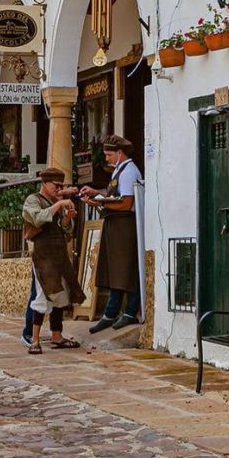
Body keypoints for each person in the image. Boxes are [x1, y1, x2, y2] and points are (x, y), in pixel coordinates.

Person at [80, 135, 143, 333]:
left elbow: (126, 203)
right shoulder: (119, 170)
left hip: (125, 225)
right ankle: (111, 313)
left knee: (126, 269)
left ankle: (130, 312)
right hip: (115, 224)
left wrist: (100, 202)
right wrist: (96, 193)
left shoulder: (128, 172)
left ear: (119, 153)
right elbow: (115, 196)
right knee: (116, 269)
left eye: (109, 155)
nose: (106, 159)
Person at [22, 166, 83, 353]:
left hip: (59, 255)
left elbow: (65, 230)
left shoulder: (57, 201)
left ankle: (57, 336)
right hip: (43, 255)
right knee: (42, 295)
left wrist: (67, 219)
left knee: (60, 295)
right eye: (56, 185)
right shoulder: (33, 200)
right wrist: (58, 204)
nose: (59, 189)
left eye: (61, 185)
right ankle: (34, 339)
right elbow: (37, 219)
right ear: (45, 183)